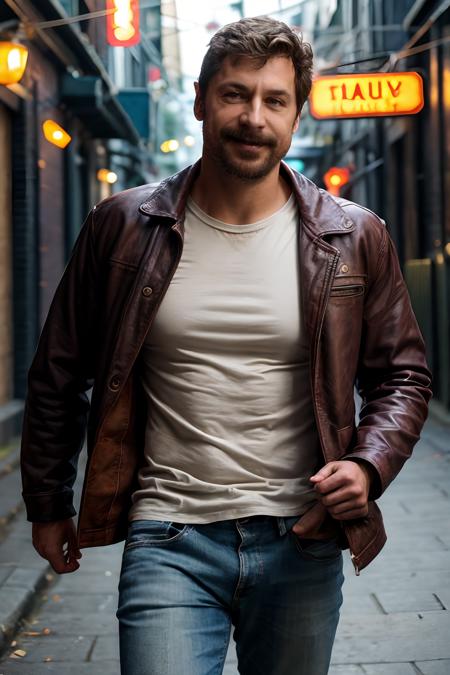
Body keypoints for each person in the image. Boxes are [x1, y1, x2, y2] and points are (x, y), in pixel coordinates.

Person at [22, 15, 431, 675]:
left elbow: (403, 376)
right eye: (235, 94)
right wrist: (46, 502)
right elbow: (58, 371)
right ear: (201, 101)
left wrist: (368, 464)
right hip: (168, 535)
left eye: (275, 100)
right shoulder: (124, 226)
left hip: (301, 537)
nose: (253, 117)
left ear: (297, 115)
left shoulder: (355, 236)